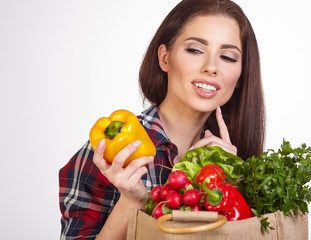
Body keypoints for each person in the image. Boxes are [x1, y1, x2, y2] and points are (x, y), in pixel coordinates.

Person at [59, 0, 265, 239]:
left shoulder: (239, 161)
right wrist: (131, 202)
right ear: (165, 58)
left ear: (240, 76)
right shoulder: (110, 153)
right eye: (195, 50)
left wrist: (234, 182)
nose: (211, 67)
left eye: (228, 57)